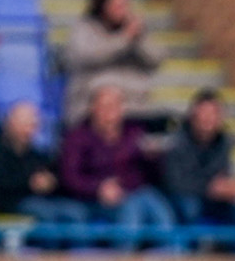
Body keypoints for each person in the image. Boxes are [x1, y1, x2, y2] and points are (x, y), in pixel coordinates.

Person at [59, 85, 177, 249]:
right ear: (93, 109)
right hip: (93, 199)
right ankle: (122, 260)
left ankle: (169, 258)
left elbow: (151, 175)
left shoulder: (135, 133)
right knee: (131, 211)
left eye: (114, 106)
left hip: (134, 191)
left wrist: (153, 159)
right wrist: (98, 188)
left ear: (122, 109)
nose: (109, 113)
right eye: (104, 107)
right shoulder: (77, 137)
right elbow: (69, 177)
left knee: (160, 211)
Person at [61, 0, 163, 125]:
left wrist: (140, 38)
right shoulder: (84, 28)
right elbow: (88, 55)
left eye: (126, 4)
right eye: (119, 4)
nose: (125, 9)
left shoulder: (135, 31)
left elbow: (156, 59)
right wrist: (124, 39)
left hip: (133, 108)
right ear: (104, 6)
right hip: (89, 108)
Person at [160, 89, 235, 253]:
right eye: (204, 113)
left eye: (213, 113)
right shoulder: (177, 143)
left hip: (211, 199)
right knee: (189, 207)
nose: (208, 118)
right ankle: (190, 256)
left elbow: (222, 175)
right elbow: (175, 184)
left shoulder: (224, 143)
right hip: (183, 198)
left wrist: (229, 188)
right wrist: (210, 188)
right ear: (194, 115)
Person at [0, 101, 91, 240]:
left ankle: (79, 255)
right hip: (13, 203)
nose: (29, 129)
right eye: (25, 124)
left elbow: (56, 176)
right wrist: (30, 183)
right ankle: (48, 255)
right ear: (10, 124)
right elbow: (3, 184)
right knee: (45, 214)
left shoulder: (38, 156)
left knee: (75, 211)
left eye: (32, 124)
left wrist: (50, 182)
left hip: (43, 200)